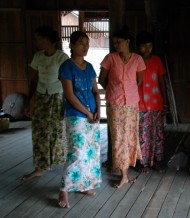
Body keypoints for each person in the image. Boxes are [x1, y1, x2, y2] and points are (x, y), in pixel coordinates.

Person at [58, 31, 102, 208]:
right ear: (72, 45)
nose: (85, 46)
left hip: (92, 114)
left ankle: (83, 184)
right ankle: (64, 190)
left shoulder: (89, 67)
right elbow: (69, 95)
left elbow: (95, 91)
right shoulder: (66, 67)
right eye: (81, 43)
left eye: (87, 43)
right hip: (76, 115)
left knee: (91, 153)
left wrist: (98, 110)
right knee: (77, 153)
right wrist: (88, 113)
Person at [98, 27, 146, 188]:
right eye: (114, 42)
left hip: (132, 103)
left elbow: (139, 81)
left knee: (131, 136)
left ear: (127, 42)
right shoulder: (110, 58)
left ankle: (127, 170)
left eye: (119, 42)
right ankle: (123, 174)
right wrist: (113, 90)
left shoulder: (138, 59)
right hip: (115, 104)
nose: (116, 45)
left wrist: (128, 90)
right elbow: (101, 79)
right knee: (118, 137)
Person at [22, 25, 69, 181]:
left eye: (39, 39)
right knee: (39, 133)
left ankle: (63, 165)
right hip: (42, 97)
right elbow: (34, 80)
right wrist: (29, 101)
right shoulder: (38, 57)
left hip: (57, 97)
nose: (37, 42)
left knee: (57, 131)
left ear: (48, 40)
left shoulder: (61, 57)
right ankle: (39, 168)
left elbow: (68, 81)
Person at [135, 31, 168, 173]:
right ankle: (142, 163)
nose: (147, 49)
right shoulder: (135, 60)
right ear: (138, 47)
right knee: (142, 134)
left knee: (157, 134)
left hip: (156, 103)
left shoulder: (157, 61)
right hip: (139, 103)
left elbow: (162, 82)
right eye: (143, 46)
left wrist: (165, 101)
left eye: (149, 46)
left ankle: (156, 161)